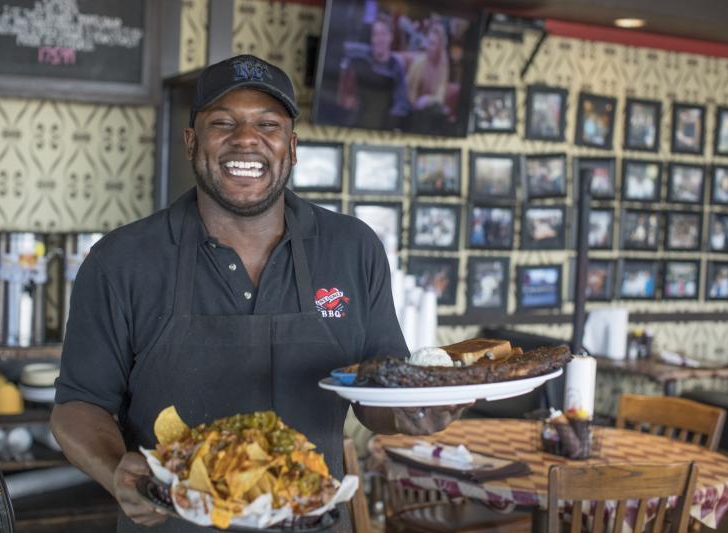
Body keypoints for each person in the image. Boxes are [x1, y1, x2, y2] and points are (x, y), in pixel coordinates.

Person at [51, 55, 466, 532]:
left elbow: (378, 394)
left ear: (291, 147)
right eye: (223, 122)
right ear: (191, 141)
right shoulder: (120, 260)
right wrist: (114, 472)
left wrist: (412, 413)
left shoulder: (353, 249)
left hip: (314, 522)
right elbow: (77, 406)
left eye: (267, 124)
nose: (246, 138)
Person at [336, 13, 410, 129]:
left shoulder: (396, 65)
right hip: (356, 121)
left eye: (383, 34)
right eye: (376, 34)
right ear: (372, 38)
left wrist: (391, 121)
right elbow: (340, 52)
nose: (379, 39)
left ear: (391, 37)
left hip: (384, 125)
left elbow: (402, 103)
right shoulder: (361, 56)